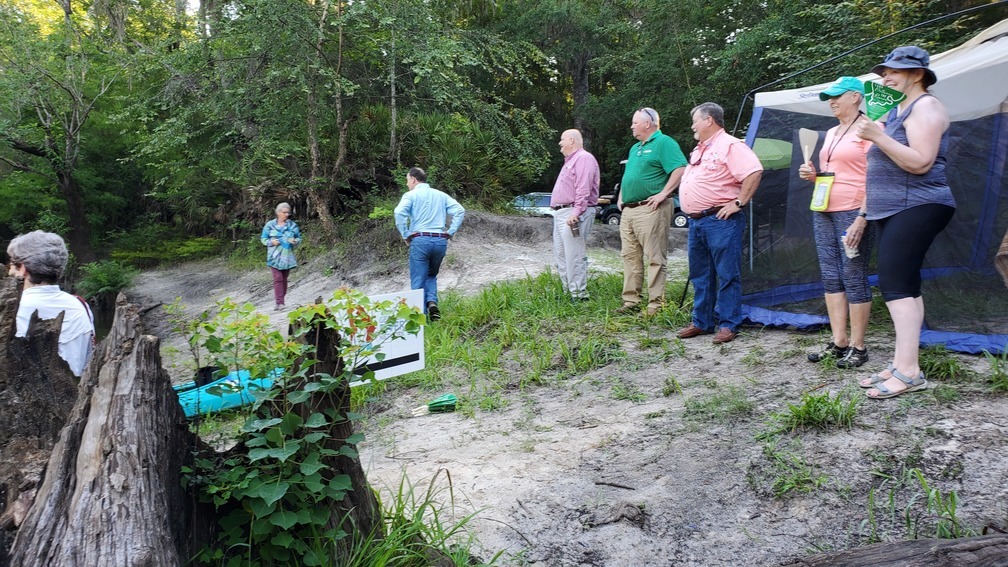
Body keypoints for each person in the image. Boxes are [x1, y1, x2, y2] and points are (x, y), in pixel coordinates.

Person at [855, 46, 955, 399]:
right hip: (895, 208)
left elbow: (921, 162)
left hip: (918, 204)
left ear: (917, 74)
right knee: (907, 287)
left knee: (895, 285)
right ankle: (903, 364)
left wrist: (878, 136)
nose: (885, 78)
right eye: (884, 72)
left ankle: (910, 372)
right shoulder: (899, 110)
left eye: (894, 71)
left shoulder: (926, 105)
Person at [797, 76, 874, 368]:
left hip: (852, 211)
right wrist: (813, 175)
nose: (831, 101)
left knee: (853, 275)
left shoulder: (870, 130)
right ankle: (839, 342)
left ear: (855, 97)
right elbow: (833, 174)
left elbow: (875, 178)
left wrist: (862, 218)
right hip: (823, 209)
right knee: (831, 275)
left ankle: (859, 346)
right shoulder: (830, 132)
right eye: (829, 97)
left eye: (837, 96)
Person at [676, 102, 764, 344]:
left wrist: (738, 203)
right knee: (700, 274)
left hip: (720, 220)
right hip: (697, 222)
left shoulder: (731, 145)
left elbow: (754, 171)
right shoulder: (699, 149)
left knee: (726, 274)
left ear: (708, 120)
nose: (692, 125)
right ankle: (702, 322)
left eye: (695, 120)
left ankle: (728, 324)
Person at [615, 107, 688, 316]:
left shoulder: (665, 143)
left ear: (648, 124)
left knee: (654, 256)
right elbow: (631, 175)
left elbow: (680, 169)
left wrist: (664, 193)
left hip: (651, 209)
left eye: (634, 122)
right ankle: (631, 301)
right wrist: (621, 196)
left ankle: (655, 305)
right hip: (629, 210)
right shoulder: (635, 147)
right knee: (629, 256)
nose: (631, 126)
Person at [6, 231, 95, 377]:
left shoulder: (11, 310)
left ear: (22, 269)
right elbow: (89, 362)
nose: (9, 271)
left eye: (11, 265)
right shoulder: (80, 305)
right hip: (75, 394)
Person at [394, 167, 465, 321]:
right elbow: (460, 210)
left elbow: (399, 213)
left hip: (420, 240)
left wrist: (405, 234)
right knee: (431, 274)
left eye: (407, 180)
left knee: (418, 279)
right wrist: (451, 231)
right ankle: (431, 302)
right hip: (440, 240)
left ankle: (420, 319)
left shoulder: (410, 195)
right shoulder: (441, 195)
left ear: (413, 179)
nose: (407, 184)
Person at [550, 129, 600, 301]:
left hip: (574, 212)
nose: (559, 143)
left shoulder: (583, 158)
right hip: (561, 212)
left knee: (574, 254)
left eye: (562, 139)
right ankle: (568, 292)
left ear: (571, 140)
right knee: (562, 255)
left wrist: (576, 212)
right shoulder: (570, 161)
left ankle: (579, 295)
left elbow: (583, 188)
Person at [260, 202, 301, 311]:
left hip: (287, 257)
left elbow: (299, 238)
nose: (287, 214)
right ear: (278, 213)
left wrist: (295, 241)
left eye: (288, 212)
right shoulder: (269, 225)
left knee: (284, 279)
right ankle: (280, 302)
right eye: (284, 212)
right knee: (277, 279)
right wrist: (271, 242)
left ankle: (280, 301)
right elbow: (263, 239)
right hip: (274, 257)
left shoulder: (292, 225)